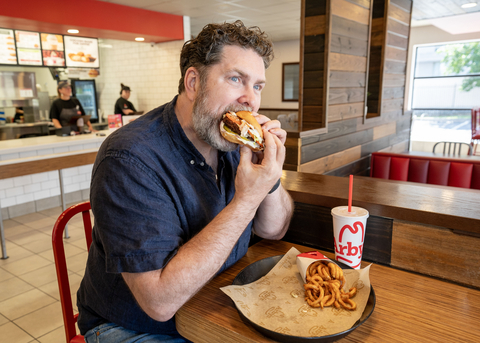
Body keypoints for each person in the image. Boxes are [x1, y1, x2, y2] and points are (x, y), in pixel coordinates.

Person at [77, 20, 294, 343]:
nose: (251, 100)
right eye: (236, 79)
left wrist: (269, 177)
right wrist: (247, 199)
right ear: (193, 82)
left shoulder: (231, 142)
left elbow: (274, 229)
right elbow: (159, 302)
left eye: (258, 86)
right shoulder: (129, 159)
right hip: (134, 326)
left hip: (212, 301)